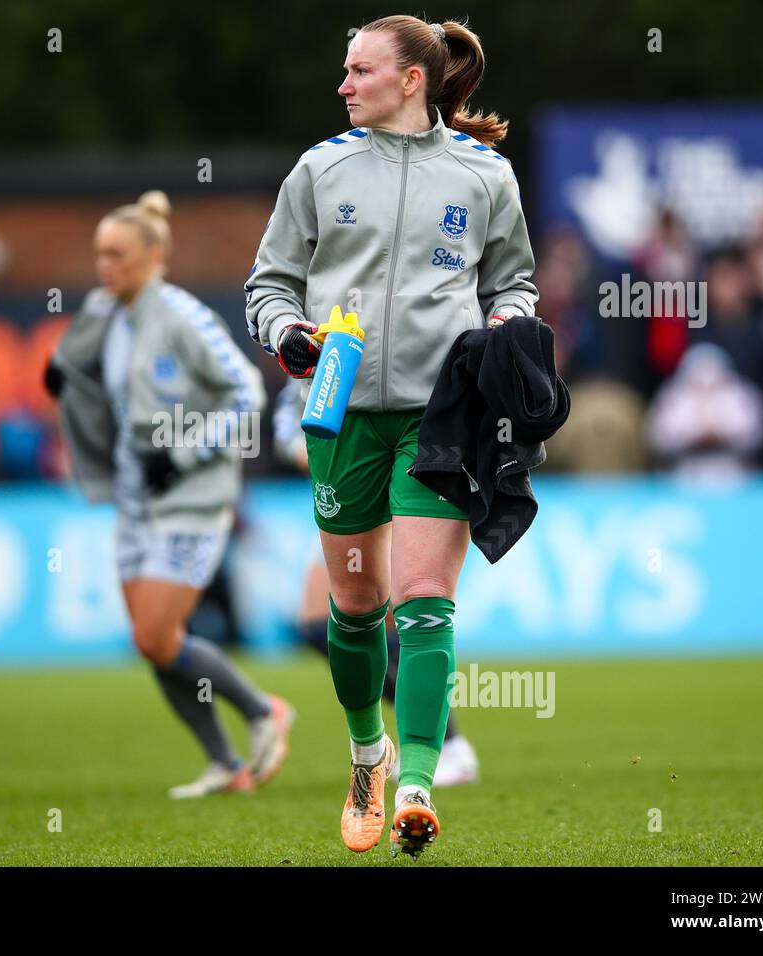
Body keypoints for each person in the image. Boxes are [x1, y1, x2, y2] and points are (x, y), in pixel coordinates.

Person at [245, 16, 537, 856]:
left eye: (359, 70)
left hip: (442, 416)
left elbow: (511, 281)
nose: (344, 84)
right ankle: (366, 755)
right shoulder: (320, 167)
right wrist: (286, 332)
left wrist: (510, 325)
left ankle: (415, 781)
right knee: (353, 608)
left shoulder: (485, 176)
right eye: (344, 70)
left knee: (423, 601)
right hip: (341, 416)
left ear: (411, 79)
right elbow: (269, 283)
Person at [46, 190, 294, 799]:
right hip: (135, 503)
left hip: (192, 499)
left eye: (118, 254)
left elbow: (246, 395)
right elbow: (83, 379)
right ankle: (226, 766)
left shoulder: (182, 315)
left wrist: (183, 451)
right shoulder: (107, 316)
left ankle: (265, 710)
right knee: (152, 645)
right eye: (100, 254)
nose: (105, 266)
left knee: (158, 636)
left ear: (154, 255)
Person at [273, 379, 480, 786]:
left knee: (397, 620)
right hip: (349, 481)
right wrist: (302, 448)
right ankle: (434, 742)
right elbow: (287, 415)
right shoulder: (324, 340)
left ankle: (441, 747)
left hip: (401, 480)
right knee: (327, 625)